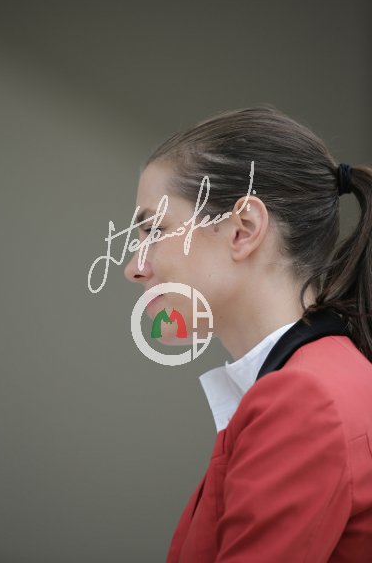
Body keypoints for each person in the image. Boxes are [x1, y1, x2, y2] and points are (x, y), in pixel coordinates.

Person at [124, 105, 372, 562]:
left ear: (243, 230)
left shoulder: (304, 399)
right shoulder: (320, 378)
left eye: (155, 229)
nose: (133, 268)